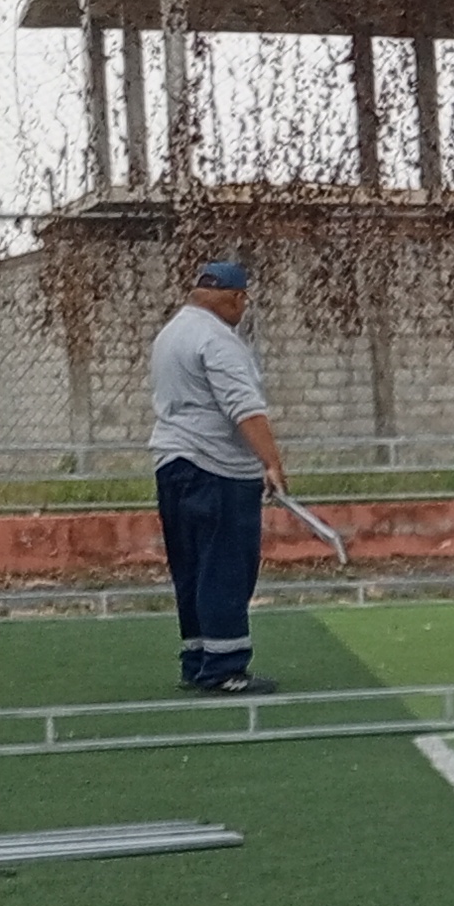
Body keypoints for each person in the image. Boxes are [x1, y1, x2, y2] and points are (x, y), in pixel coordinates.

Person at [151, 257, 292, 695]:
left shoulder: (170, 334)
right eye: (243, 301)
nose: (243, 309)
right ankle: (225, 667)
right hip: (218, 468)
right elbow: (244, 407)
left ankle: (197, 658)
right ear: (234, 297)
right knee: (226, 566)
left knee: (191, 566)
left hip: (173, 463)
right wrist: (271, 462)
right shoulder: (218, 340)